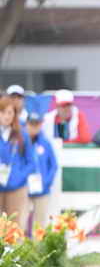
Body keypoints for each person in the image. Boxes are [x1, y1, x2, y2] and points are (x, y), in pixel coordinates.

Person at [0, 95, 35, 231]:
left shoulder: (22, 135)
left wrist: (19, 177)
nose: (6, 116)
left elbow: (31, 163)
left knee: (14, 227)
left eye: (10, 112)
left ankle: (15, 252)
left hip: (17, 188)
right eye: (3, 112)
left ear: (14, 114)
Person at [26, 111, 58, 229]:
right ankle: (19, 247)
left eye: (37, 124)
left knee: (39, 224)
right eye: (31, 124)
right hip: (24, 188)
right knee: (20, 221)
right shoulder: (20, 142)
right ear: (26, 124)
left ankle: (37, 247)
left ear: (40, 125)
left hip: (42, 189)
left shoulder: (45, 143)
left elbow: (53, 165)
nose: (34, 127)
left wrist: (46, 182)